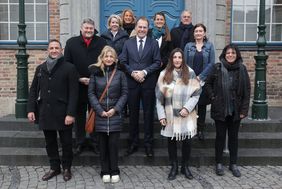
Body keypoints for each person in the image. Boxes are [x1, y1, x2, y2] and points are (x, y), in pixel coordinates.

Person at [27, 39, 79, 181]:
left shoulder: (69, 68)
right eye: (51, 48)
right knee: (50, 142)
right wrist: (31, 109)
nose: (54, 50)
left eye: (57, 48)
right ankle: (54, 168)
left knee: (66, 142)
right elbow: (33, 91)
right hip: (45, 112)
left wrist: (70, 113)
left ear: (61, 50)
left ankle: (67, 168)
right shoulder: (40, 68)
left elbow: (74, 93)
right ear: (48, 50)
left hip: (63, 112)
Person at [205, 44, 251, 177]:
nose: (230, 55)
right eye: (228, 53)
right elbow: (208, 84)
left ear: (237, 55)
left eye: (233, 53)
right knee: (220, 137)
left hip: (236, 110)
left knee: (233, 138)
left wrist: (244, 109)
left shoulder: (242, 69)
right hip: (220, 109)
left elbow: (247, 91)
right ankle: (218, 163)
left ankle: (233, 164)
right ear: (224, 55)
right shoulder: (217, 68)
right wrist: (213, 97)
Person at [155, 48, 201, 180]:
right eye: (175, 57)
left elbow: (196, 94)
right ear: (171, 59)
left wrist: (188, 108)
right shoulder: (164, 74)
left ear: (183, 59)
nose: (177, 60)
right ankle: (174, 166)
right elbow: (159, 98)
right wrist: (161, 115)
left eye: (179, 57)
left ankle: (185, 166)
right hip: (170, 115)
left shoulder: (190, 73)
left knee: (187, 142)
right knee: (171, 142)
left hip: (187, 114)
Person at [119, 16, 161, 157]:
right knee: (133, 116)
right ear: (136, 28)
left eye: (144, 27)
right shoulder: (128, 43)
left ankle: (148, 144)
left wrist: (144, 72)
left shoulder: (153, 43)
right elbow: (123, 61)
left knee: (148, 115)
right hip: (132, 84)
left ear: (148, 28)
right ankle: (133, 143)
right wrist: (132, 73)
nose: (142, 29)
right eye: (140, 27)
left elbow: (157, 62)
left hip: (148, 83)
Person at [64, 18, 107, 155]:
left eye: (91, 28)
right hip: (78, 85)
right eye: (86, 28)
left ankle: (95, 142)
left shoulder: (101, 42)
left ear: (94, 29)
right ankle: (80, 142)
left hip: (96, 85)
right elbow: (67, 64)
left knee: (95, 114)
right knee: (79, 114)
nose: (88, 31)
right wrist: (78, 78)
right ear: (81, 29)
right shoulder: (71, 43)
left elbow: (105, 63)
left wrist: (94, 78)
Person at [88, 46, 128, 183]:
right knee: (102, 145)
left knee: (113, 145)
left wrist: (115, 109)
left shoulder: (120, 74)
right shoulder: (95, 73)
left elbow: (124, 94)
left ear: (115, 59)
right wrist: (100, 110)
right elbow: (91, 93)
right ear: (102, 58)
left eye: (111, 56)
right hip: (100, 115)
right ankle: (105, 170)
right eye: (106, 56)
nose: (109, 59)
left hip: (115, 115)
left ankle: (114, 170)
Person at [184, 23, 215, 140]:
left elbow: (211, 63)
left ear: (204, 33)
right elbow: (184, 63)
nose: (198, 33)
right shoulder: (188, 46)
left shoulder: (209, 46)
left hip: (203, 81)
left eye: (200, 31)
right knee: (190, 105)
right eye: (196, 31)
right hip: (190, 80)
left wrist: (200, 77)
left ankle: (200, 129)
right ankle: (190, 128)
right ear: (194, 33)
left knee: (201, 106)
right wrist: (192, 76)